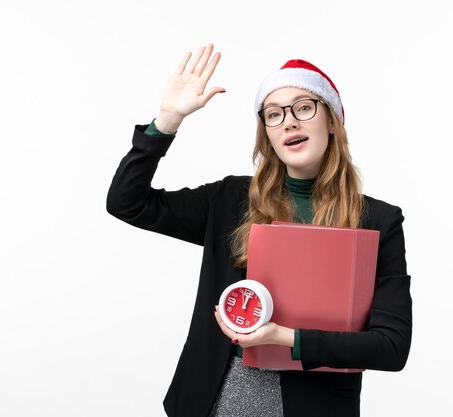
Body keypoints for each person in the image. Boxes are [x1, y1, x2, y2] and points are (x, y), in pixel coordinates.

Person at [106, 43, 412, 417]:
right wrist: (166, 121)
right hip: (211, 401)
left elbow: (391, 347)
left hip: (312, 405)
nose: (289, 121)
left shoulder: (378, 221)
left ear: (331, 121)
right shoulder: (231, 199)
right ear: (266, 134)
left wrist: (284, 338)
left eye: (304, 107)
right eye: (273, 114)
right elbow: (127, 203)